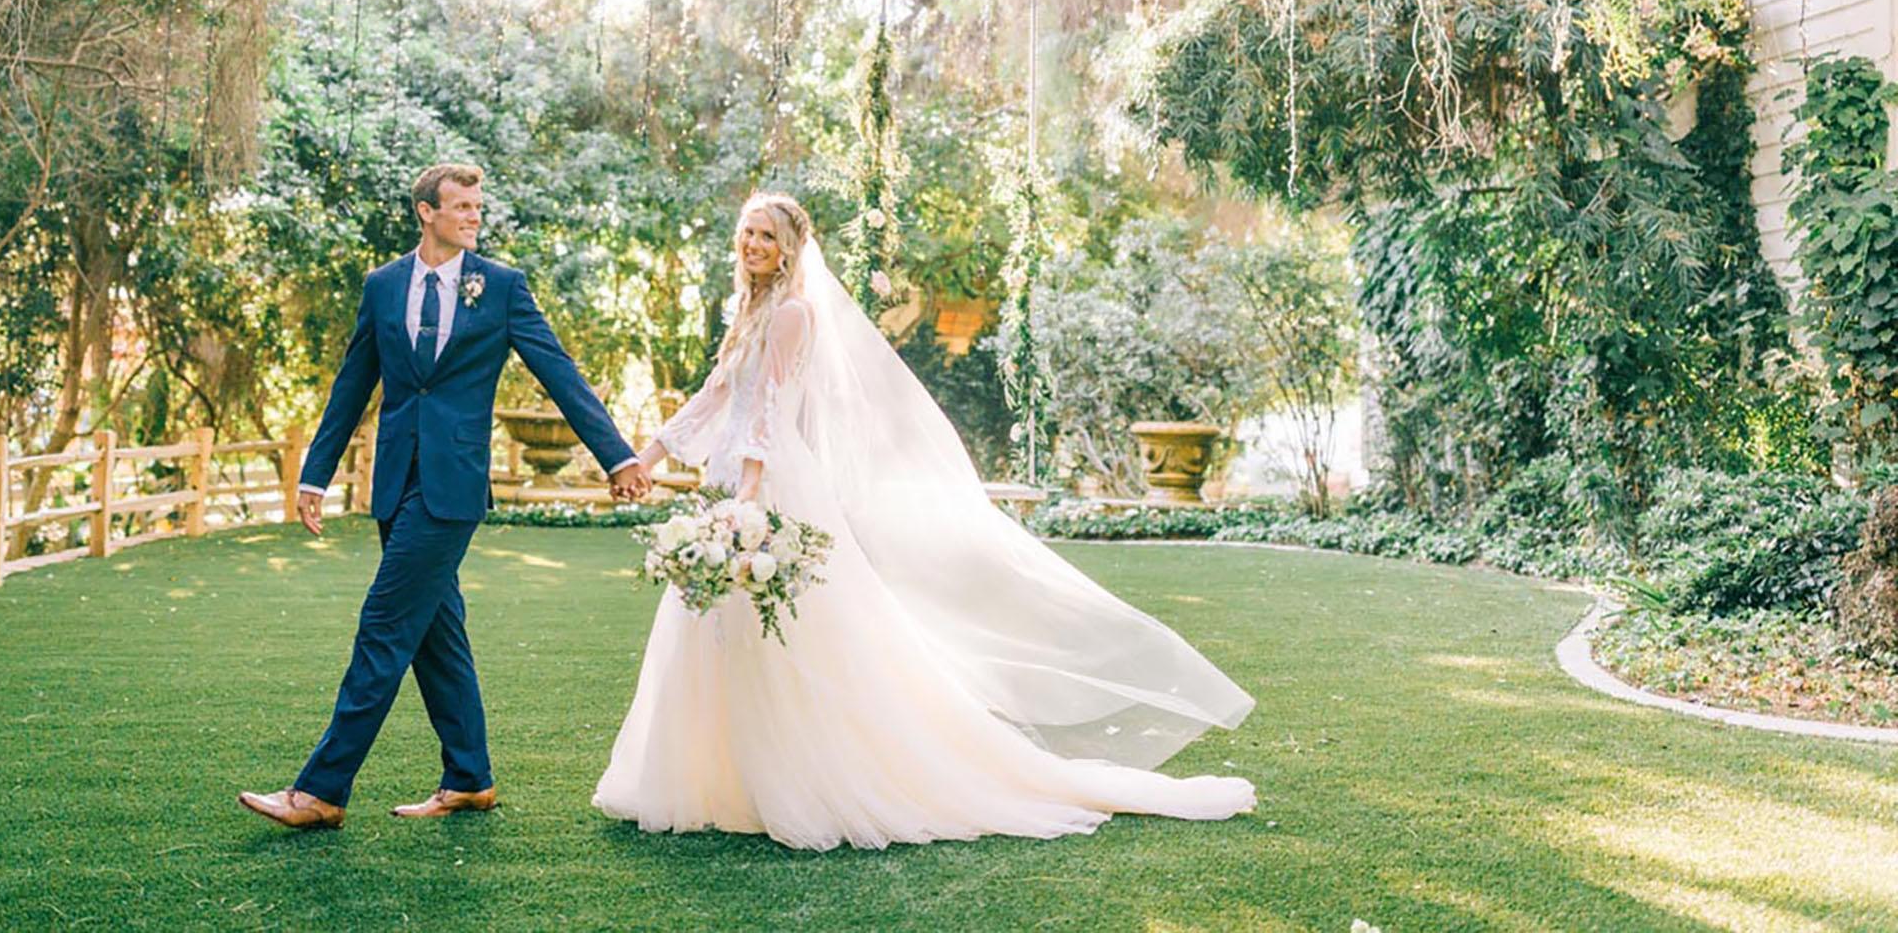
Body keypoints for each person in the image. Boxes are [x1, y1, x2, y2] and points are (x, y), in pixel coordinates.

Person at [593, 192, 1256, 849]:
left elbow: (767, 411)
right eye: (747, 232)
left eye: (767, 235)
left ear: (790, 248)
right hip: (727, 480)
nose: (753, 244)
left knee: (782, 631)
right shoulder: (750, 308)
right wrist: (642, 457)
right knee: (713, 622)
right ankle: (715, 779)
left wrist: (747, 497)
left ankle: (793, 778)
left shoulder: (792, 313)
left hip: (765, 483)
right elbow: (714, 396)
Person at [240, 163, 652, 831]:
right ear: (425, 212)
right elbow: (353, 384)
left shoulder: (502, 287)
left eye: (478, 207)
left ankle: (320, 791)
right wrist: (316, 474)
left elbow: (558, 372)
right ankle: (469, 778)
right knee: (437, 636)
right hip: (394, 483)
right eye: (461, 206)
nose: (473, 216)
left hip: (452, 485)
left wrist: (618, 455)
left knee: (383, 626)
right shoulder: (383, 286)